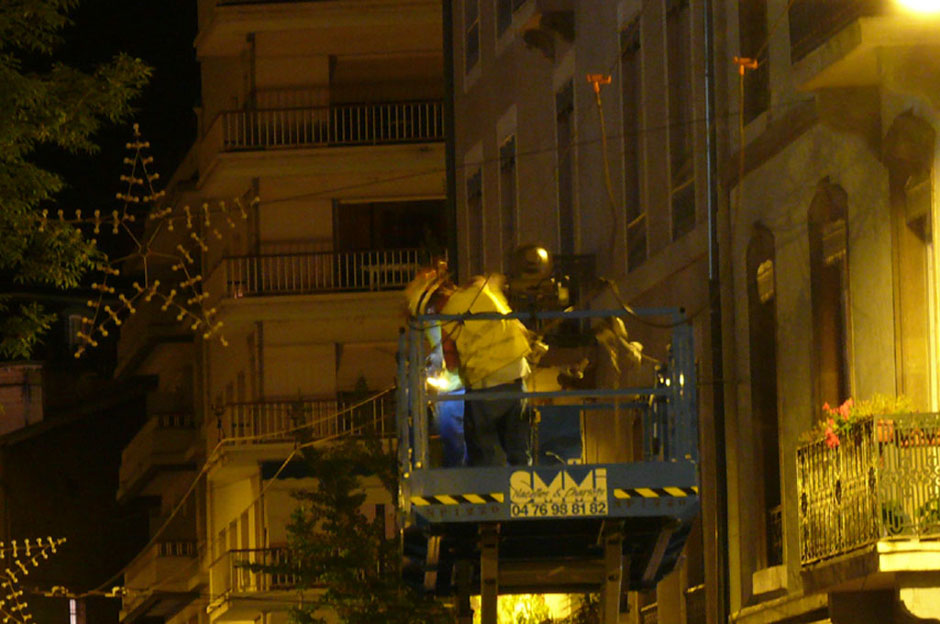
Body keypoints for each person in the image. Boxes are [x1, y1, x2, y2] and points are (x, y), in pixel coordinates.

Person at [405, 264, 534, 466]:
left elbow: (452, 364)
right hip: (518, 375)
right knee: (518, 445)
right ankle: (524, 488)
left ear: (434, 301)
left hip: (487, 383)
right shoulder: (480, 287)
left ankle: (487, 492)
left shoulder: (447, 316)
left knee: (481, 446)